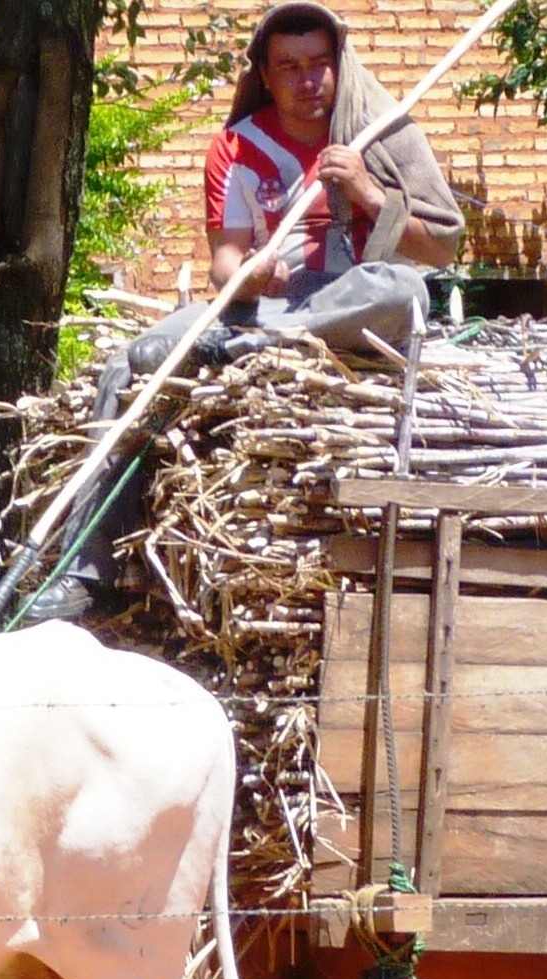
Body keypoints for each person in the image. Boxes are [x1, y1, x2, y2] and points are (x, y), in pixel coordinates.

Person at [31, 1, 464, 621]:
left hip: (348, 306)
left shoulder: (381, 134)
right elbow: (224, 263)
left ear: (339, 66)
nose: (308, 79)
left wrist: (369, 191)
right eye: (289, 66)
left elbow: (443, 247)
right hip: (260, 312)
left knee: (404, 292)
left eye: (319, 64)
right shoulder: (239, 147)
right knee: (131, 364)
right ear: (263, 72)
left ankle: (259, 344)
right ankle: (86, 570)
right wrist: (250, 278)